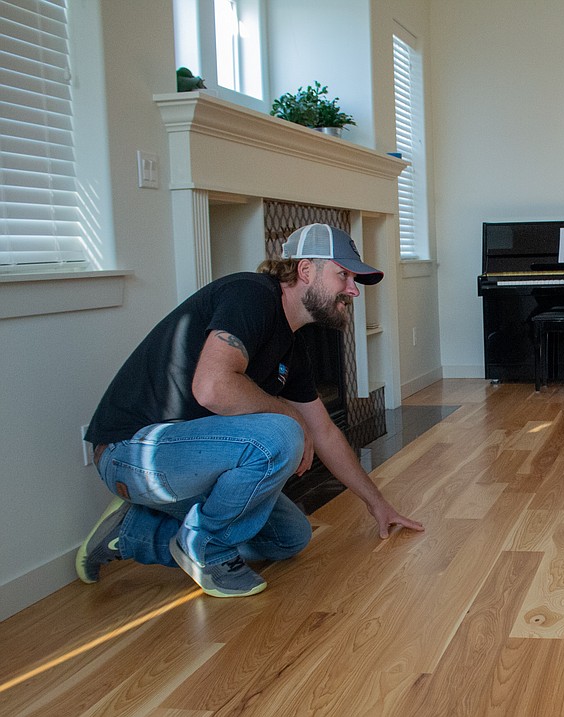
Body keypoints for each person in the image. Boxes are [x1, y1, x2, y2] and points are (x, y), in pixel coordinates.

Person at [77, 224, 423, 598]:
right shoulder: (251, 294)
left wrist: (379, 505)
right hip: (128, 451)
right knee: (281, 433)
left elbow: (324, 432)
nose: (353, 290)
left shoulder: (292, 347)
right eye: (344, 275)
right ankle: (204, 546)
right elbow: (211, 387)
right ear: (305, 270)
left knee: (290, 538)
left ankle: (132, 533)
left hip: (185, 461)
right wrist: (291, 418)